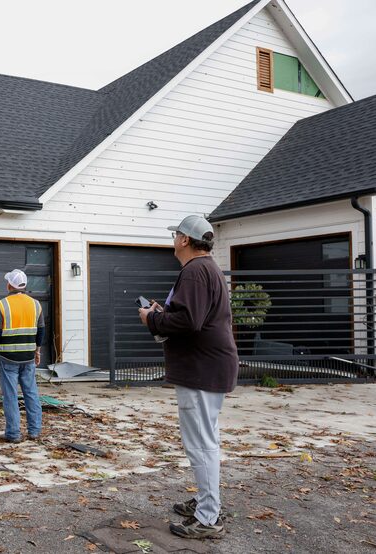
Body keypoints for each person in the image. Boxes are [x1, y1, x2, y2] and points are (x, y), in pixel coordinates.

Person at [138, 215, 238, 539]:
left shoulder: (194, 271)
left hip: (201, 370)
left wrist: (152, 320)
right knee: (206, 441)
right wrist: (163, 313)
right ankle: (207, 503)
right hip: (209, 367)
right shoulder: (207, 269)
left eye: (175, 235)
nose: (173, 240)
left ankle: (208, 518)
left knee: (200, 445)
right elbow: (190, 317)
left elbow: (189, 322)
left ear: (184, 240)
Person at [0, 269, 44, 443]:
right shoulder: (36, 304)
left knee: (10, 395)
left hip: (8, 358)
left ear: (9, 285)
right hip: (28, 357)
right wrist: (37, 351)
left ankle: (13, 434)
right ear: (24, 286)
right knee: (31, 393)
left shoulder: (2, 305)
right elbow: (40, 331)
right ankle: (34, 432)